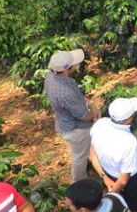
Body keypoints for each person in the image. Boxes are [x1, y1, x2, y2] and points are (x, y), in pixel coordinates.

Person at [44, 49, 99, 182]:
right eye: (74, 64)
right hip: (76, 130)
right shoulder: (65, 93)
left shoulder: (51, 76)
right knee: (79, 157)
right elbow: (85, 116)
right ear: (67, 69)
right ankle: (79, 182)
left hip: (64, 121)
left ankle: (92, 165)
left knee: (84, 151)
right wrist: (94, 109)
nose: (76, 65)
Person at [89, 98, 137, 212]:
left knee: (122, 204)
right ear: (127, 120)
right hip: (133, 181)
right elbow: (123, 181)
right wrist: (111, 195)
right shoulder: (129, 142)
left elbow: (92, 154)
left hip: (109, 175)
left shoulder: (100, 123)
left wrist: (105, 179)